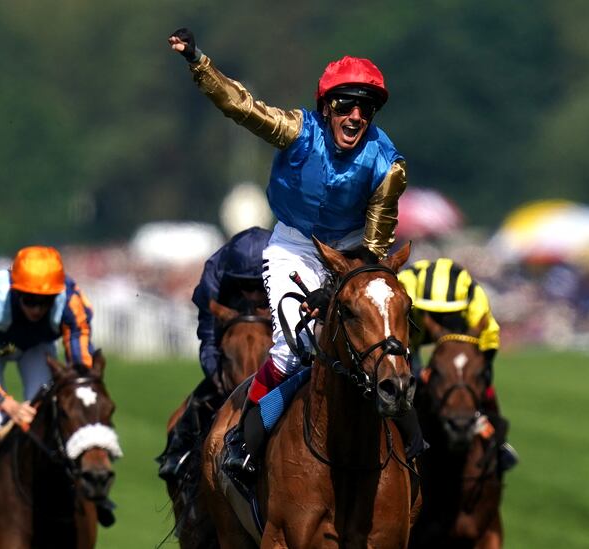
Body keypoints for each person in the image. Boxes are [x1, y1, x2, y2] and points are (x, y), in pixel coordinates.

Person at [167, 28, 421, 482]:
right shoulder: (299, 132)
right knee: (293, 350)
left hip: (352, 252)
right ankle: (244, 444)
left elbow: (375, 245)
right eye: (346, 104)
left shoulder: (388, 165)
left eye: (367, 107)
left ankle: (412, 449)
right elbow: (240, 106)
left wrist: (337, 288)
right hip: (295, 244)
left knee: (382, 340)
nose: (356, 115)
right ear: (326, 108)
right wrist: (198, 62)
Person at [0, 246, 117, 527]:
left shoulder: (73, 301)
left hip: (37, 348)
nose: (36, 308)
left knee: (51, 411)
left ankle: (75, 486)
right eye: (29, 299)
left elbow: (81, 368)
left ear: (57, 295)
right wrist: (8, 405)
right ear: (14, 291)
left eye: (45, 301)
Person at [157, 226, 272, 481]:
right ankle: (178, 452)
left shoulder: (286, 268)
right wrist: (218, 377)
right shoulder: (214, 277)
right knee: (200, 399)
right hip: (228, 346)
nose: (253, 294)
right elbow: (209, 338)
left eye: (258, 286)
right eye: (246, 286)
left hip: (277, 341)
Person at [398, 258, 518, 472]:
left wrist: (477, 377)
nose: (440, 318)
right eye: (433, 312)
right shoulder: (403, 287)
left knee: (478, 378)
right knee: (402, 382)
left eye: (447, 313)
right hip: (410, 332)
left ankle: (497, 440)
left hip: (461, 335)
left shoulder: (475, 298)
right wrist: (417, 371)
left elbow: (488, 343)